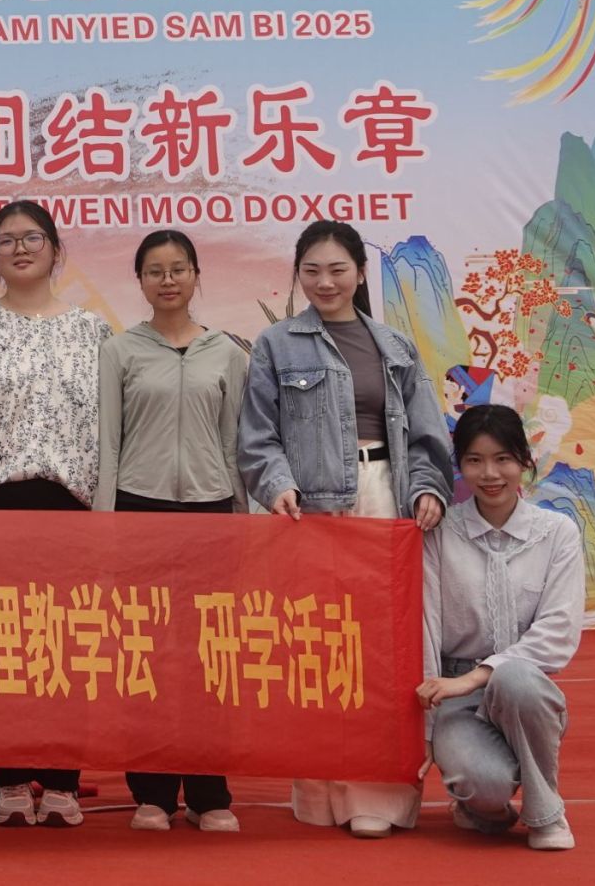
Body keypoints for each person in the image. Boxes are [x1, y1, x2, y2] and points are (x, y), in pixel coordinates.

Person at [238, 219, 451, 838]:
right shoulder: (276, 344)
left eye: (337, 269)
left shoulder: (395, 346)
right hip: (310, 512)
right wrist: (277, 484)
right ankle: (322, 794)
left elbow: (427, 435)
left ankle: (379, 797)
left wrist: (428, 489)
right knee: (320, 645)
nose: (325, 282)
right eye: (311, 271)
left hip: (385, 500)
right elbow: (257, 437)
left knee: (385, 648)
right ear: (298, 275)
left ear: (360, 272)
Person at [0, 199, 112, 829]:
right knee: (2, 643)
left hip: (73, 506)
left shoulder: (92, 331)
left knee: (69, 642)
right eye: (6, 241)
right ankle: (8, 780)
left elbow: (107, 429)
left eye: (33, 238)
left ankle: (61, 782)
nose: (20, 249)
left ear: (57, 250)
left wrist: (106, 507)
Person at [95, 229, 247, 833]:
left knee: (210, 655)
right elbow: (108, 444)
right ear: (140, 281)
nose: (167, 280)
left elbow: (235, 445)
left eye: (178, 268)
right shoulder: (120, 351)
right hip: (140, 510)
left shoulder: (227, 352)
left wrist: (242, 521)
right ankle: (152, 792)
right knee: (148, 653)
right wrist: (105, 523)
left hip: (211, 512)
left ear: (195, 276)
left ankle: (210, 793)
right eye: (155, 271)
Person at [418, 405, 584, 852]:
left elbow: (559, 629)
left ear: (525, 461)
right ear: (460, 466)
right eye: (474, 460)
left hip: (524, 694)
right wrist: (426, 732)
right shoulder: (439, 532)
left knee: (515, 677)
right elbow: (426, 625)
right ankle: (481, 807)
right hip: (454, 692)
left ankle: (547, 813)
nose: (489, 474)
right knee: (484, 788)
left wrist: (479, 675)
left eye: (503, 459)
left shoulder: (558, 533)